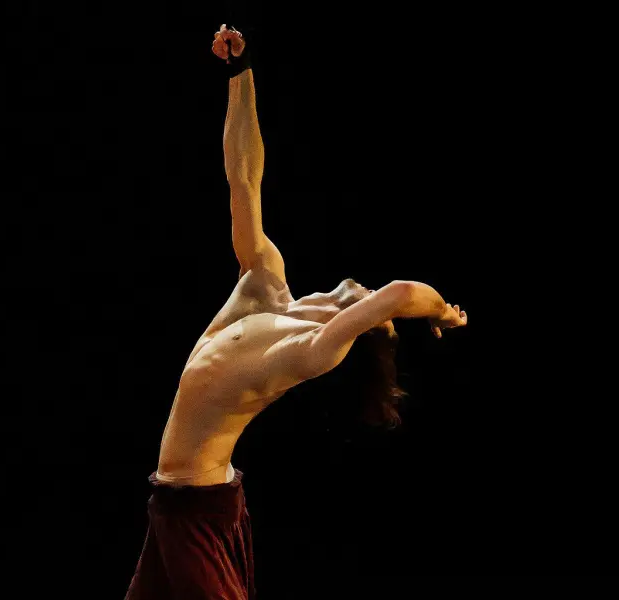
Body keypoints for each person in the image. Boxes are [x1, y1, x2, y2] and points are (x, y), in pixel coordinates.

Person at [124, 24, 468, 600]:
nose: (366, 292)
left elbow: (402, 291)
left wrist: (441, 314)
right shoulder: (265, 285)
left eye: (372, 313)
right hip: (175, 501)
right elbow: (243, 176)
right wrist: (240, 74)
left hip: (197, 512)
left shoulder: (308, 352)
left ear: (360, 327)